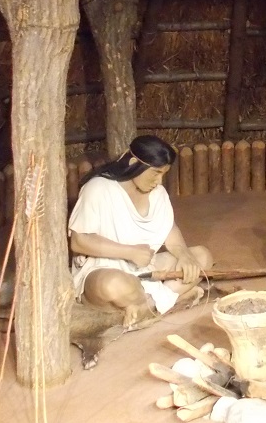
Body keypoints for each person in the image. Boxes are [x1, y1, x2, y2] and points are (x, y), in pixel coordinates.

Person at [68, 135, 213, 328]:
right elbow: (79, 241)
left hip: (146, 269)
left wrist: (184, 255)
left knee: (202, 257)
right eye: (155, 173)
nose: (159, 181)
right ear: (134, 163)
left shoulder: (158, 193)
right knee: (112, 285)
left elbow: (169, 229)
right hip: (102, 270)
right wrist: (129, 252)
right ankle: (165, 301)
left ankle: (145, 307)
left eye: (163, 174)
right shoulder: (99, 188)